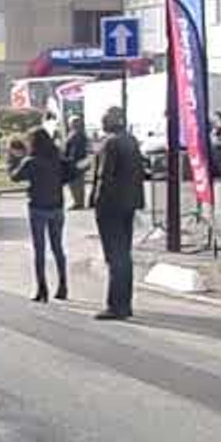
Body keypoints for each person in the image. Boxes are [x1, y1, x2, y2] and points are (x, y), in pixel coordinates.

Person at [90, 106, 145, 321]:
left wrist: (96, 202)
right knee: (124, 254)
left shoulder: (109, 143)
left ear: (107, 123)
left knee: (115, 256)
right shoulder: (131, 140)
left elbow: (105, 177)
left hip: (111, 206)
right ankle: (125, 303)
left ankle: (116, 306)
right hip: (128, 203)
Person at [9, 128, 69, 303]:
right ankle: (63, 285)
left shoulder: (31, 162)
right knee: (58, 247)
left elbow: (15, 177)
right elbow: (68, 173)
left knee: (40, 249)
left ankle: (42, 289)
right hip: (57, 206)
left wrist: (13, 160)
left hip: (38, 207)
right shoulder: (57, 159)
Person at [64, 116, 89, 210]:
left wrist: (70, 160)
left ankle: (78, 202)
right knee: (78, 182)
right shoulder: (78, 134)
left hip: (75, 161)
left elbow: (74, 150)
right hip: (80, 161)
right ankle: (79, 201)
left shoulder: (76, 135)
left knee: (75, 182)